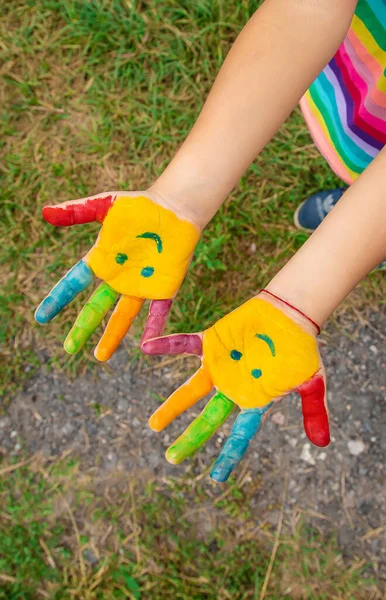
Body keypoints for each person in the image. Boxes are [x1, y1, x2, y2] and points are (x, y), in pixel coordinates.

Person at [35, 0, 386, 482]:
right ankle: (360, 205)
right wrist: (183, 196)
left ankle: (363, 229)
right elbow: (308, 9)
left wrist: (306, 294)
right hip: (368, 65)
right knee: (361, 152)